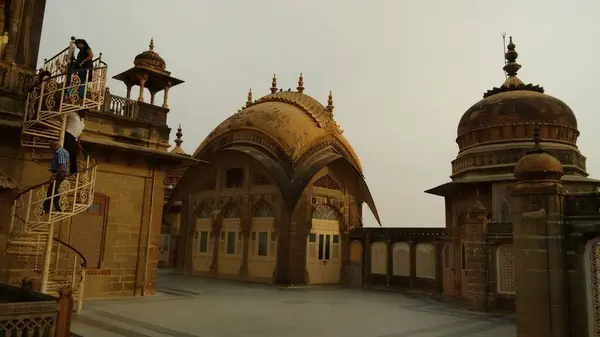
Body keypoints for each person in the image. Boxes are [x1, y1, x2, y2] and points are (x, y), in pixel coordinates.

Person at [43, 141, 69, 213]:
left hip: (59, 173)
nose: (52, 150)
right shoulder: (63, 151)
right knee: (52, 190)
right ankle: (47, 208)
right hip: (59, 173)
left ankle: (54, 208)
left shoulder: (60, 152)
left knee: (53, 190)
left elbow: (62, 165)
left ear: (55, 146)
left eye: (52, 148)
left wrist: (54, 175)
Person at [64, 110, 86, 174]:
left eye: (86, 112)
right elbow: (61, 115)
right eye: (84, 111)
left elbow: (80, 133)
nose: (85, 113)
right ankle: (62, 170)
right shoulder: (72, 114)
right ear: (80, 111)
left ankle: (73, 172)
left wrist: (79, 144)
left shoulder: (82, 122)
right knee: (66, 153)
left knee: (74, 155)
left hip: (74, 139)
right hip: (68, 135)